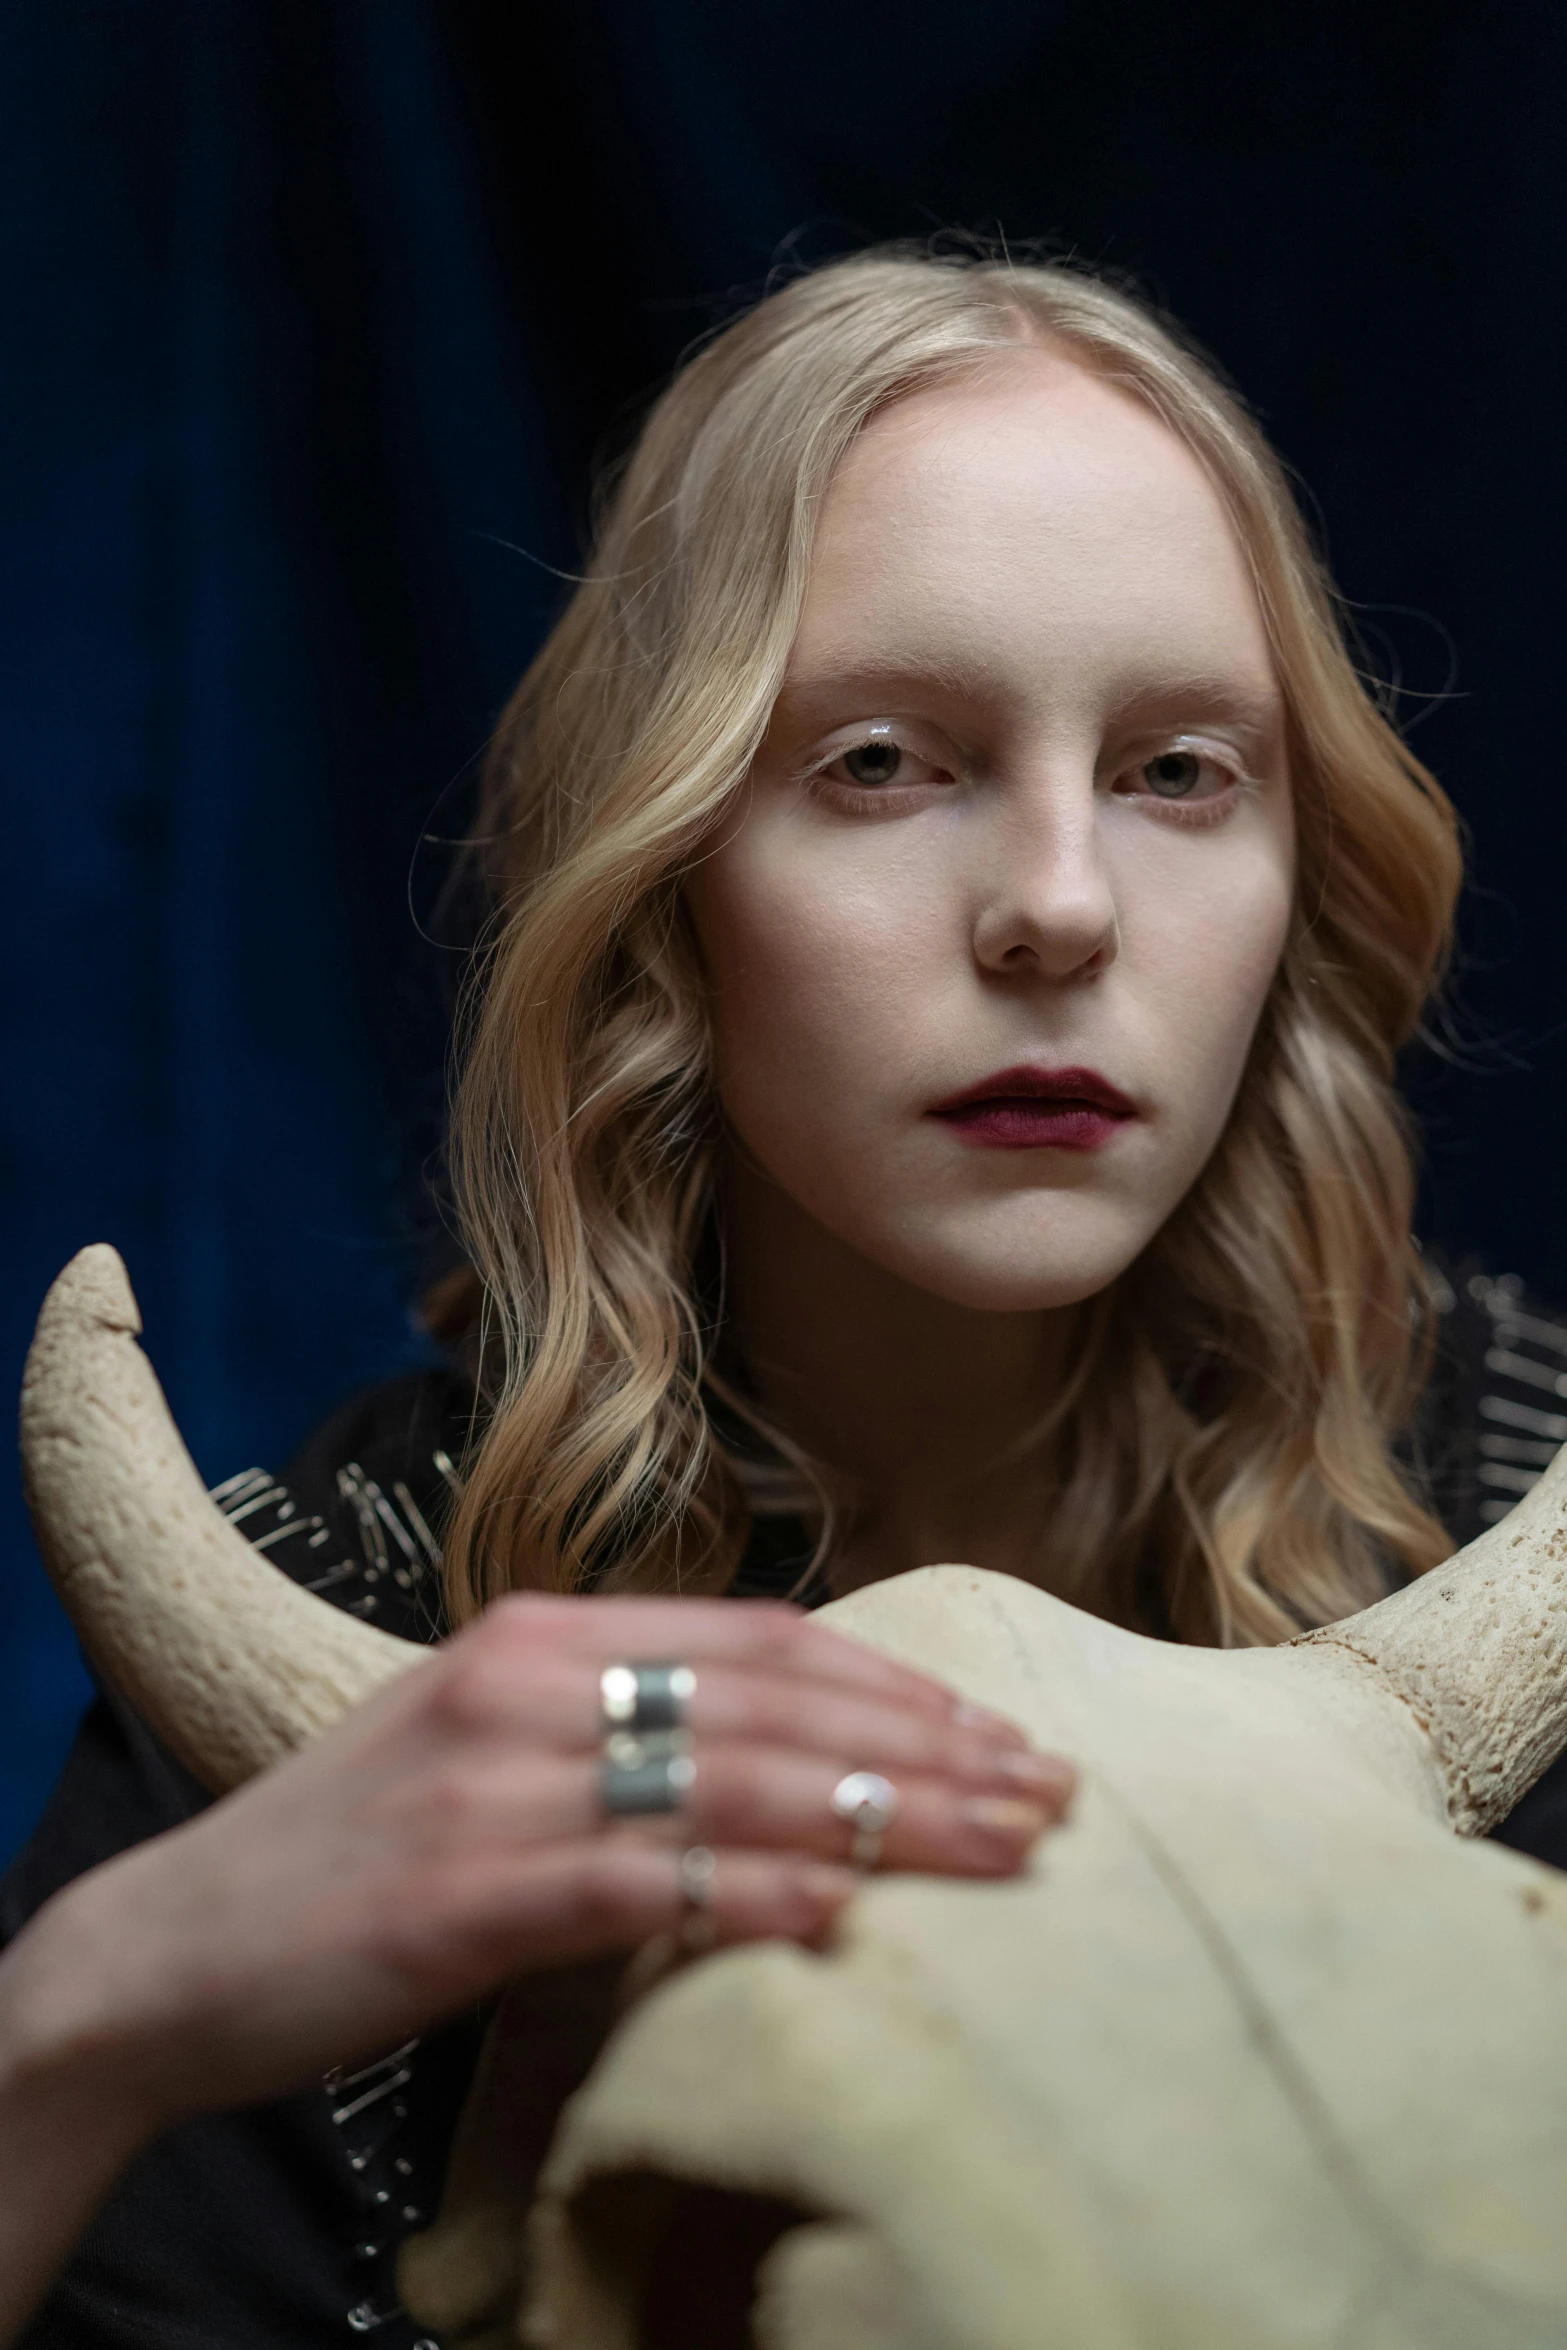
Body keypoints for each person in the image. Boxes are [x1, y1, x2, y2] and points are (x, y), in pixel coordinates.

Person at [2, 246, 1564, 2349]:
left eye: (1182, 767)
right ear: (664, 880)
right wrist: (85, 2015)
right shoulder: (364, 1593)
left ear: (1301, 872)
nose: (1060, 906)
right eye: (883, 761)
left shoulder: (1508, 1462)